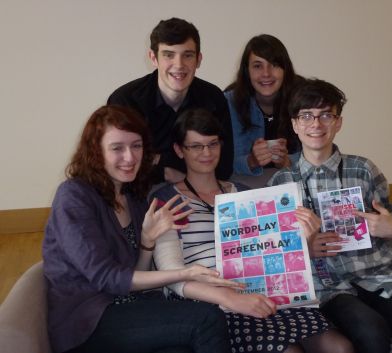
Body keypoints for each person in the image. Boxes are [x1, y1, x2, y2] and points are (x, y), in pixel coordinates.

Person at [268, 78, 392, 353]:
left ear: (338, 122)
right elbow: (274, 253)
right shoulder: (280, 183)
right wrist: (304, 248)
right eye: (306, 116)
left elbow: (391, 222)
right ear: (295, 124)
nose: (316, 124)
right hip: (328, 285)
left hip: (379, 273)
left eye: (326, 115)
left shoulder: (364, 169)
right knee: (370, 330)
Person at [151, 108, 354, 353]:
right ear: (179, 150)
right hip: (212, 303)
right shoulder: (167, 200)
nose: (206, 153)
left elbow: (276, 250)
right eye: (195, 146)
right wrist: (231, 299)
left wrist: (304, 238)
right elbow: (171, 274)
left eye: (212, 144)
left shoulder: (247, 194)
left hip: (265, 291)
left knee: (340, 348)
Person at [42, 105, 239, 353]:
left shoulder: (133, 197)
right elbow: (109, 278)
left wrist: (146, 243)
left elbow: (135, 275)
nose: (130, 157)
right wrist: (185, 273)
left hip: (131, 308)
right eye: (117, 148)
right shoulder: (74, 196)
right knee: (207, 318)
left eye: (136, 146)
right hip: (88, 320)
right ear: (96, 151)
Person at [108, 17, 233, 183]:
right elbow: (122, 166)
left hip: (200, 191)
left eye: (187, 55)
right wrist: (167, 171)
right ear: (153, 58)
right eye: (169, 55)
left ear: (199, 60)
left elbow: (223, 167)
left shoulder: (213, 98)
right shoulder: (125, 101)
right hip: (140, 195)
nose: (179, 65)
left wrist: (158, 159)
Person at [225, 34, 302, 178]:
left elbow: (318, 153)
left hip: (294, 184)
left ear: (285, 69)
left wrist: (288, 161)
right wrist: (250, 161)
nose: (266, 74)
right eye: (257, 66)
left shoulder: (303, 99)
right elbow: (217, 161)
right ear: (247, 71)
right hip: (244, 188)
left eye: (274, 65)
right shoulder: (228, 103)